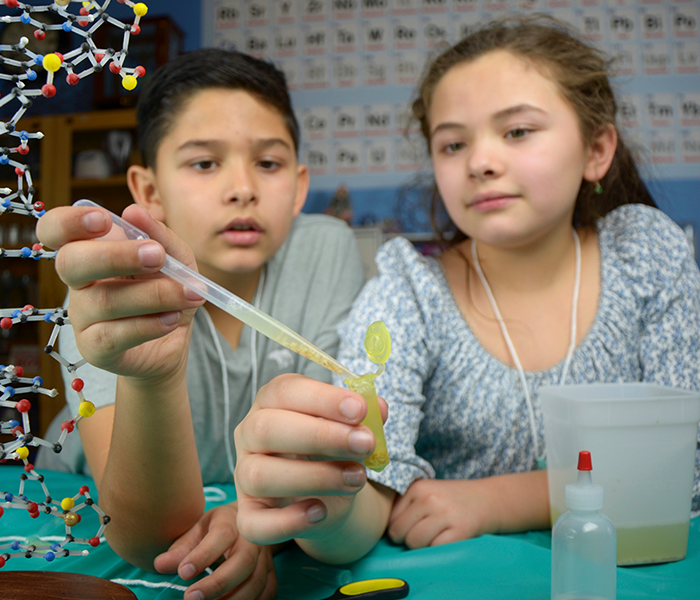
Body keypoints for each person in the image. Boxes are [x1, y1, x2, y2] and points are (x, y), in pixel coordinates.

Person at [232, 14, 700, 564]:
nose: (480, 162)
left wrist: (499, 500)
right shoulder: (408, 292)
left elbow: (682, 468)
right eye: (452, 144)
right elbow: (372, 495)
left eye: (518, 131)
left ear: (596, 149)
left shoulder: (645, 252)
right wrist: (321, 504)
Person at [35, 48, 365, 599]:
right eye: (204, 163)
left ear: (300, 185)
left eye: (269, 162)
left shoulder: (326, 250)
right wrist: (151, 377)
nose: (242, 187)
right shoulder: (110, 293)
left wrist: (255, 515)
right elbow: (148, 538)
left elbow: (333, 454)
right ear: (147, 190)